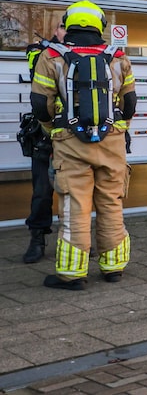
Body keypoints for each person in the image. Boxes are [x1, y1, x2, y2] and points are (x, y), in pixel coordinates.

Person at [31, 0, 137, 290]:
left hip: (69, 140)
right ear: (100, 24)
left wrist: (54, 130)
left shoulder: (51, 56)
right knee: (111, 201)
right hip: (112, 140)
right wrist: (119, 130)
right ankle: (113, 267)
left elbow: (41, 105)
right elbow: (129, 103)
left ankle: (72, 274)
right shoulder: (118, 56)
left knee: (74, 204)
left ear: (69, 23)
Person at [20, 25, 66, 263]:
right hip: (45, 132)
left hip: (73, 133)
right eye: (62, 27)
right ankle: (37, 239)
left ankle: (76, 240)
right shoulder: (39, 51)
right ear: (54, 30)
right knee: (41, 191)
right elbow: (37, 75)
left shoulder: (87, 54)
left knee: (78, 191)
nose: (66, 31)